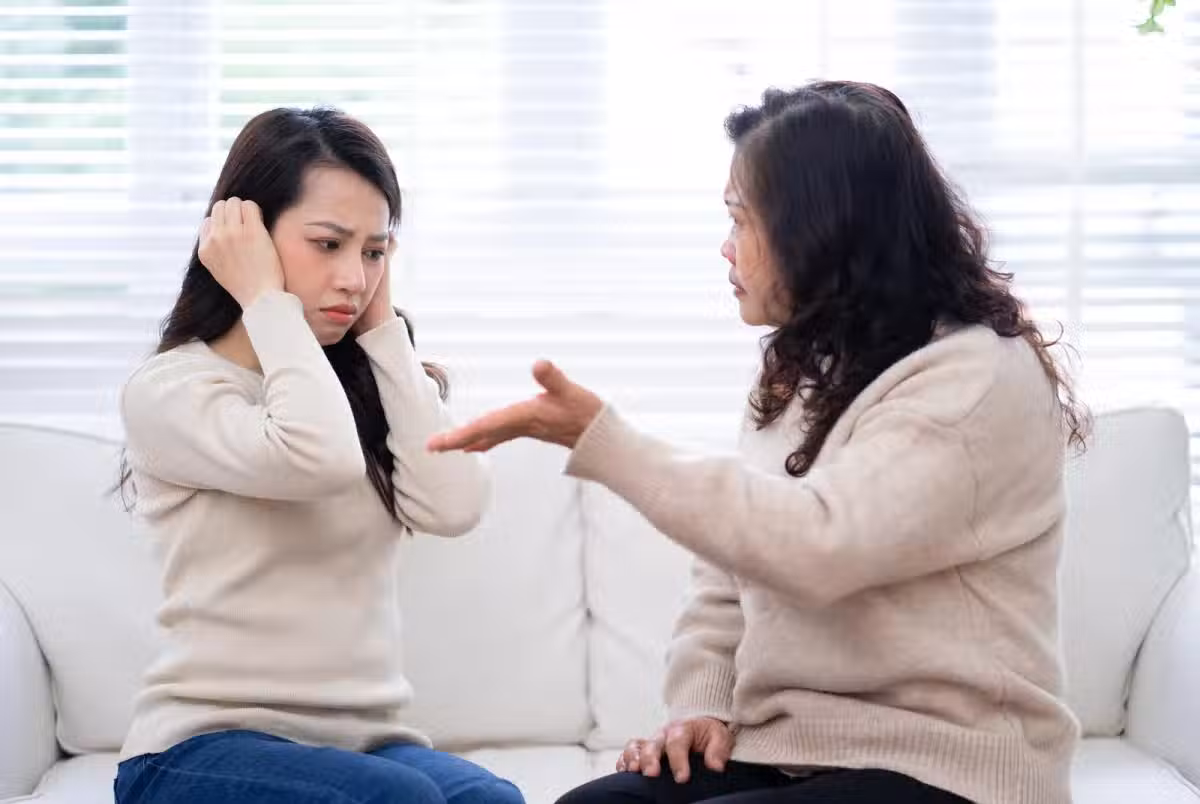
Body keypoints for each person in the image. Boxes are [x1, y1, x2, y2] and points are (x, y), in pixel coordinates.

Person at [428, 82, 1088, 804]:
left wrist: (603, 441)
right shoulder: (805, 368)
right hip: (796, 749)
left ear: (820, 230)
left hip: (950, 765)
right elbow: (730, 568)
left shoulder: (976, 375)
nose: (726, 246)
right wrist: (703, 705)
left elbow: (820, 546)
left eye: (742, 220)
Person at [115, 107, 521, 804]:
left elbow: (455, 506)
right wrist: (263, 299)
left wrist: (384, 332)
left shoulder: (360, 384)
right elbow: (319, 460)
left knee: (490, 801)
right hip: (197, 751)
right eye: (328, 244)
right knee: (403, 801)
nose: (353, 279)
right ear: (245, 239)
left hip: (362, 746)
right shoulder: (172, 390)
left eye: (373, 252)